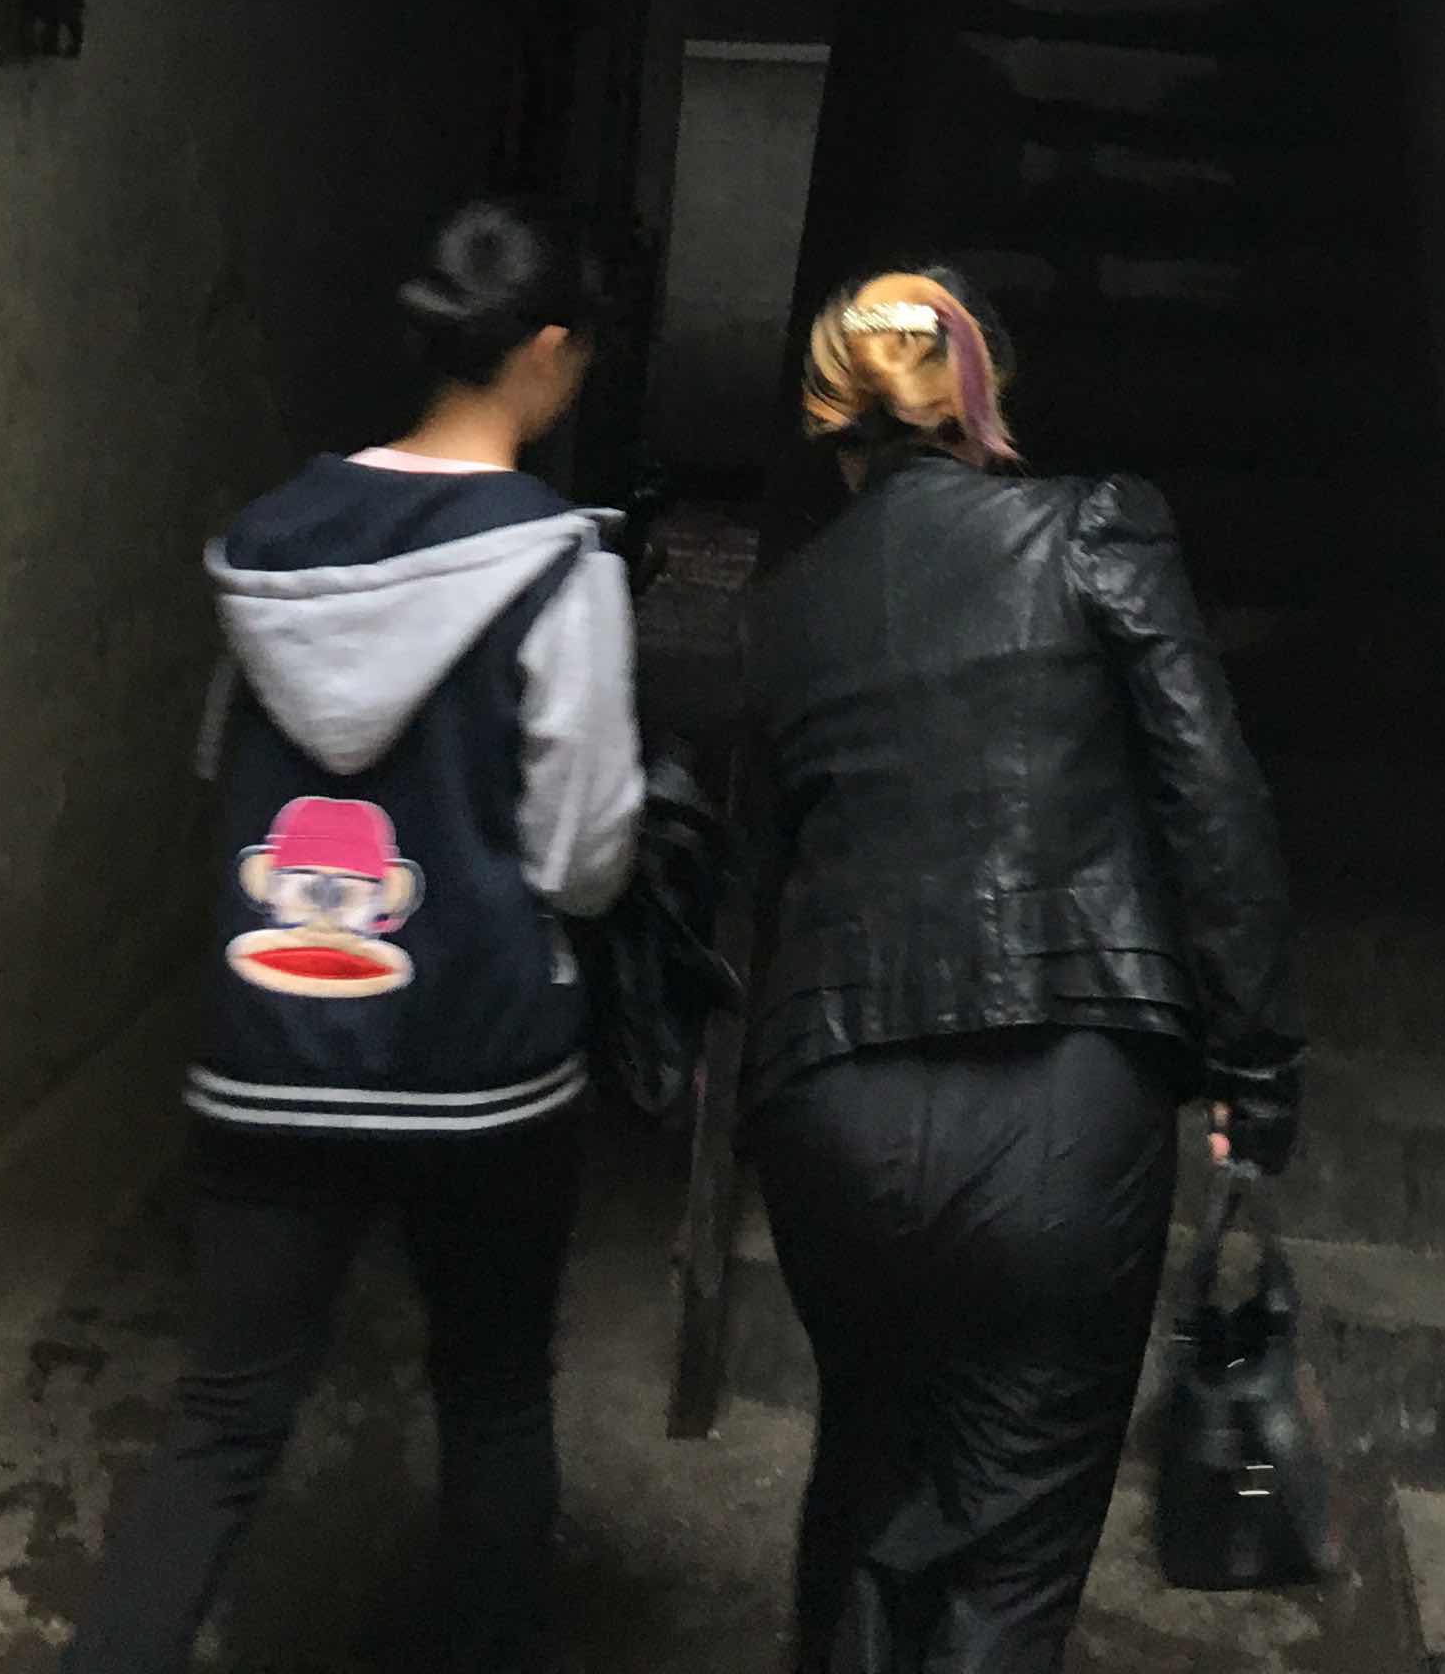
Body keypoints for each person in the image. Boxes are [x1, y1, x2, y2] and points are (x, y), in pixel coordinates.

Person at [66, 200, 643, 1674]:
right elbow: (584, 855)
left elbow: (219, 777)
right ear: (548, 350)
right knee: (494, 1405)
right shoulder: (558, 566)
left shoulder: (269, 547)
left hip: (269, 1048)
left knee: (223, 1421)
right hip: (480, 1066)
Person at [740, 268, 1304, 1674]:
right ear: (979, 395)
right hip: (1064, 1102)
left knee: (868, 1482)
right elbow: (1214, 803)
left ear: (835, 419)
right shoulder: (1095, 529)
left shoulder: (787, 606)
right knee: (1012, 1555)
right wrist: (1253, 1072)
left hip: (833, 1105)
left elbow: (766, 867)